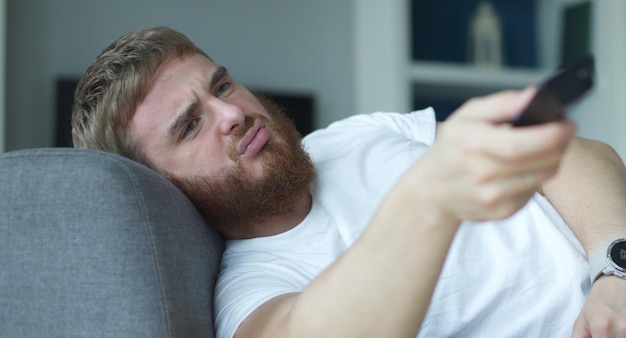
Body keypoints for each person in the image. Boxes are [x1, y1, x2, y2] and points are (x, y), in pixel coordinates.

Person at [72, 26, 626, 337]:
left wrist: (614, 273)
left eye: (221, 87)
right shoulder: (252, 290)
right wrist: (429, 195)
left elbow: (579, 156)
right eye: (190, 126)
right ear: (163, 186)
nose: (231, 115)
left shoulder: (355, 136)